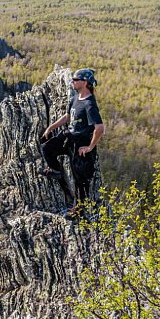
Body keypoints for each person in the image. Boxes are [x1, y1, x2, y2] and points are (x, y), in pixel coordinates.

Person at [41, 68, 105, 218]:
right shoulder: (75, 98)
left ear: (85, 82)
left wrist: (90, 147)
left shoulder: (89, 104)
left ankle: (80, 211)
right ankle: (56, 170)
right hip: (70, 137)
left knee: (80, 180)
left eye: (76, 80)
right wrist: (51, 128)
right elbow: (68, 117)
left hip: (81, 143)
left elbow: (100, 128)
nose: (73, 82)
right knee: (47, 148)